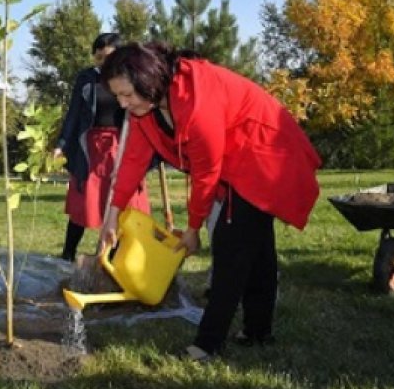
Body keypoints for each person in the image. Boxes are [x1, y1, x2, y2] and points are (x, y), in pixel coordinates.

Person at [99, 42, 322, 362]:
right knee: (255, 251)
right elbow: (133, 160)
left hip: (263, 156)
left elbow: (206, 171)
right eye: (117, 96)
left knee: (232, 249)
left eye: (126, 95)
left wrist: (193, 228)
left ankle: (207, 344)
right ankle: (258, 332)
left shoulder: (196, 98)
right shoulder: (145, 108)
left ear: (148, 82)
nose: (122, 104)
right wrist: (112, 215)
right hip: (237, 163)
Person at [52, 33, 150, 262]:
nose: (104, 63)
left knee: (124, 202)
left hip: (123, 144)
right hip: (92, 148)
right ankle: (67, 255)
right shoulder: (86, 79)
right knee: (84, 200)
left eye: (109, 57)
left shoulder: (131, 78)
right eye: (99, 58)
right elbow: (74, 113)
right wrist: (62, 144)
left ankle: (115, 258)